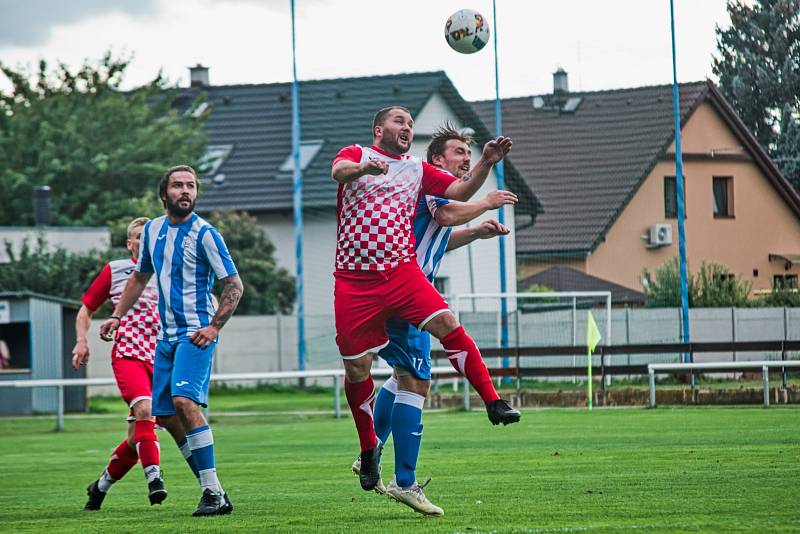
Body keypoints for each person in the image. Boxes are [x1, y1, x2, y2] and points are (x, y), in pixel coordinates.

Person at [331, 106, 512, 515]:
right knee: (401, 378)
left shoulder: (415, 173)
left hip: (403, 278)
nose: (407, 127)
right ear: (379, 129)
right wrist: (364, 168)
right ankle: (385, 464)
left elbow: (446, 221)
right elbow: (340, 171)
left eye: (411, 123)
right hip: (361, 283)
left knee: (412, 374)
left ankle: (491, 403)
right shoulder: (363, 155)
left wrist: (483, 174)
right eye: (399, 121)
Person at [99, 165, 243, 517]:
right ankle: (216, 492)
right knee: (165, 415)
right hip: (165, 338)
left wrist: (213, 327)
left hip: (195, 334)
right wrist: (117, 315)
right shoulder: (152, 230)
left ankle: (210, 492)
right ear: (165, 194)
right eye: (178, 185)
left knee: (183, 401)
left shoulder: (206, 234)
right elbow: (139, 276)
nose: (185, 191)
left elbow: (234, 285)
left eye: (191, 186)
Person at [72, 217, 167, 511]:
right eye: (139, 237)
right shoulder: (115, 271)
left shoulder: (168, 271)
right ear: (130, 244)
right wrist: (82, 341)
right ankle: (155, 479)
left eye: (150, 236)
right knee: (145, 411)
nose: (145, 241)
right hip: (128, 352)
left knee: (136, 438)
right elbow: (85, 310)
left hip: (163, 355)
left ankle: (99, 487)